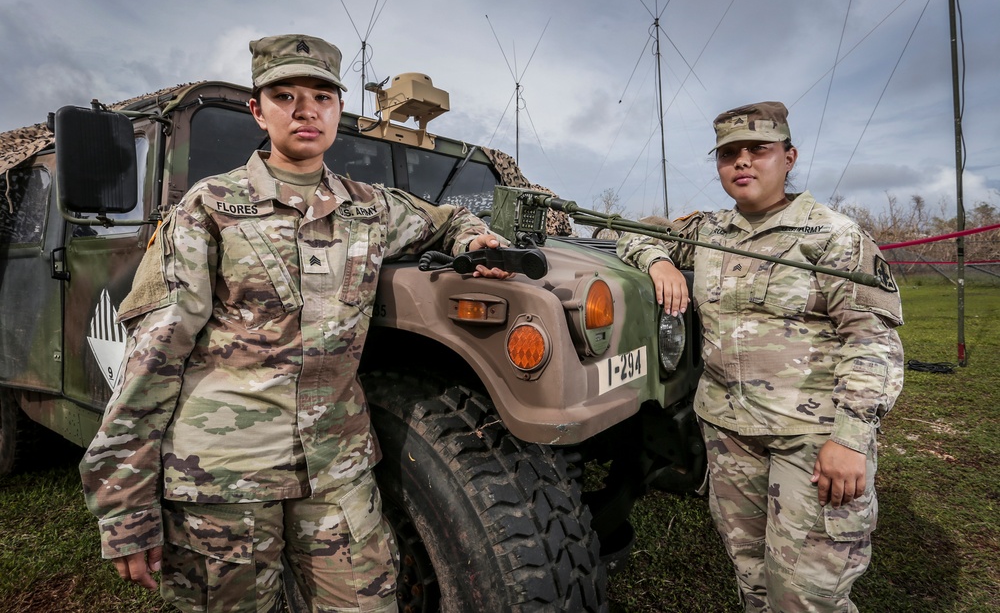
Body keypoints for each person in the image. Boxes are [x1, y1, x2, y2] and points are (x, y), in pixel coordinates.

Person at [80, 33, 512, 613]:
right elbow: (154, 355)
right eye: (284, 95)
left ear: (338, 110)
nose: (305, 109)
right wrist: (126, 503)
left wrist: (474, 237)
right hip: (223, 478)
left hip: (336, 470)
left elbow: (445, 220)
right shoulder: (209, 207)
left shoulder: (370, 207)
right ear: (257, 110)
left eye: (321, 96)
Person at [617, 102, 904, 612]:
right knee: (752, 579)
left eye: (759, 150)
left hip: (812, 439)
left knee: (807, 596)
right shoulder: (709, 231)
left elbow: (872, 339)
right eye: (730, 154)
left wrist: (851, 437)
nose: (743, 162)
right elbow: (627, 231)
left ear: (788, 157)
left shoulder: (832, 236)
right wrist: (659, 259)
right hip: (728, 434)